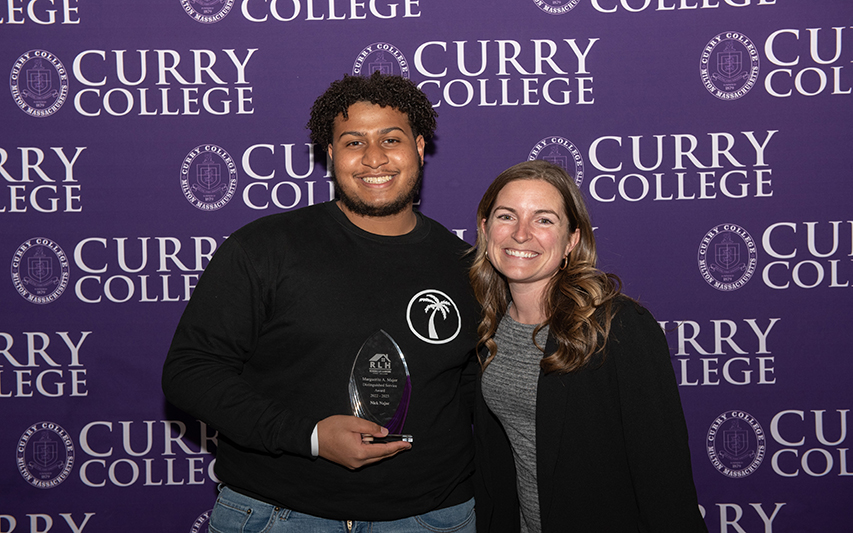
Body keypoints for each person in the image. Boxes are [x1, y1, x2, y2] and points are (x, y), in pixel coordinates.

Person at [162, 72, 480, 532]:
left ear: (419, 146)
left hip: (431, 517)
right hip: (278, 514)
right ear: (331, 155)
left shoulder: (466, 266)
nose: (374, 158)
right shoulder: (265, 248)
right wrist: (309, 437)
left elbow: (478, 393)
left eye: (391, 139)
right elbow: (191, 372)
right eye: (354, 142)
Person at [469, 160, 708, 532]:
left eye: (544, 220)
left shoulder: (618, 327)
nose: (520, 234)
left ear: (572, 239)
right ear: (485, 230)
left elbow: (664, 477)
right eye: (506, 216)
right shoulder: (485, 325)